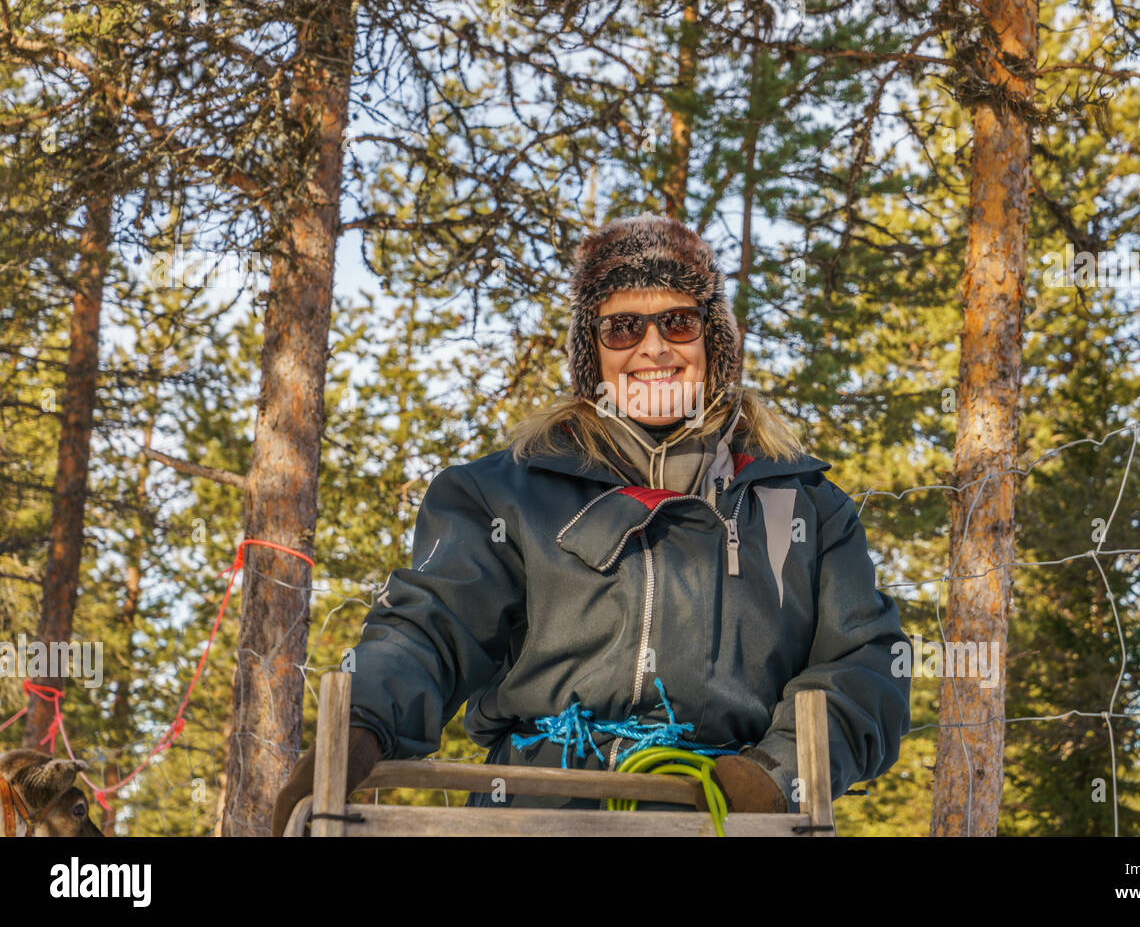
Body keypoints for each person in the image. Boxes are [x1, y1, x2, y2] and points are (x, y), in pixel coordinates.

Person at [272, 213, 911, 835]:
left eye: (679, 322)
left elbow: (866, 663)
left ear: (712, 343)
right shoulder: (500, 494)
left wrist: (777, 774)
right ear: (591, 355)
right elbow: (430, 626)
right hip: (532, 813)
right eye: (623, 328)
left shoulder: (806, 507)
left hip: (723, 816)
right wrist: (359, 727)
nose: (653, 347)